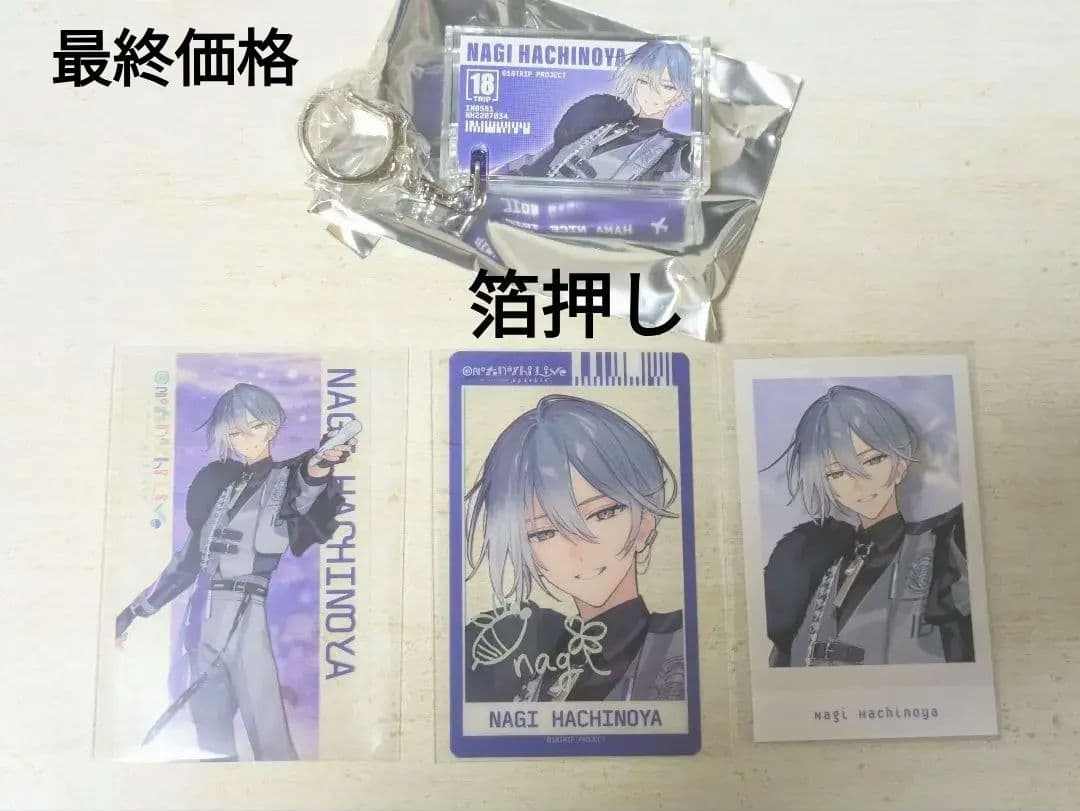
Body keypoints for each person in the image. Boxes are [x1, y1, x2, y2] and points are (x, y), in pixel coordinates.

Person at [115, 383, 355, 760]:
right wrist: (132, 613)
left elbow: (307, 481)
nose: (247, 439)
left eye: (255, 427)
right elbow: (186, 563)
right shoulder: (223, 489)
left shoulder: (284, 480)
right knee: (209, 737)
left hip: (246, 615)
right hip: (200, 619)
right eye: (235, 433)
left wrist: (323, 462)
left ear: (272, 427)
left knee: (269, 733)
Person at [463, 394, 685, 702]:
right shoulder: (522, 645)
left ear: (645, 524)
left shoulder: (678, 639)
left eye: (603, 513)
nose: (578, 548)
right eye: (543, 532)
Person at [763, 385, 974, 668]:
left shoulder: (945, 547)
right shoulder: (811, 565)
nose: (858, 482)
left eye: (873, 460)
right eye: (837, 473)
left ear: (900, 464)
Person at [501, 41, 694, 182]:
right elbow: (540, 160)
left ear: (679, 96)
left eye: (667, 86)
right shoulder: (602, 118)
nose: (652, 94)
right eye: (644, 81)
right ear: (634, 81)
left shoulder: (673, 150)